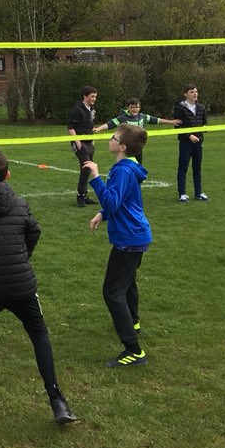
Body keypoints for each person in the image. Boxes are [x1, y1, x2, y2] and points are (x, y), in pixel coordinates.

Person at [0, 148, 77, 432]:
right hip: (15, 285)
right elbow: (30, 232)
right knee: (38, 333)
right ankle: (56, 402)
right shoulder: (12, 205)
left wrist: (16, 256)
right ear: (7, 175)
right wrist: (18, 256)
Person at [82, 125, 152, 367]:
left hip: (129, 238)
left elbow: (112, 201)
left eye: (113, 137)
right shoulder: (127, 167)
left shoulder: (123, 170)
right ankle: (133, 322)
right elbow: (122, 202)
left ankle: (134, 350)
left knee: (112, 292)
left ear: (122, 146)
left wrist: (95, 177)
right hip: (135, 235)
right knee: (127, 282)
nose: (109, 139)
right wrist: (102, 214)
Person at [94, 98, 180, 165]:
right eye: (132, 107)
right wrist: (98, 129)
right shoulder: (122, 118)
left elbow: (157, 120)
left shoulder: (143, 117)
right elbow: (110, 124)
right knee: (125, 165)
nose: (134, 109)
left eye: (136, 107)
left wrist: (171, 122)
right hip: (126, 148)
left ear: (139, 108)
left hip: (138, 147)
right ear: (128, 108)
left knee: (138, 166)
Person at [173, 84, 208, 202]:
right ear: (185, 94)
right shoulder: (180, 108)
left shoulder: (201, 107)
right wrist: (189, 136)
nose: (195, 94)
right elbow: (177, 126)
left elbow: (204, 122)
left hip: (198, 142)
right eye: (192, 92)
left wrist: (204, 129)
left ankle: (198, 193)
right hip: (185, 143)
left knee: (197, 168)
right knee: (183, 167)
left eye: (196, 91)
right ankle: (182, 194)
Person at [68, 85, 99, 207]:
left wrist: (92, 140)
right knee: (86, 168)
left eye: (95, 96)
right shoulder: (77, 109)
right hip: (79, 142)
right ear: (85, 96)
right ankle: (80, 196)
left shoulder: (91, 109)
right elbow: (71, 128)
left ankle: (85, 195)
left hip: (89, 142)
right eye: (92, 96)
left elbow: (90, 126)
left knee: (88, 168)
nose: (94, 99)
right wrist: (78, 142)